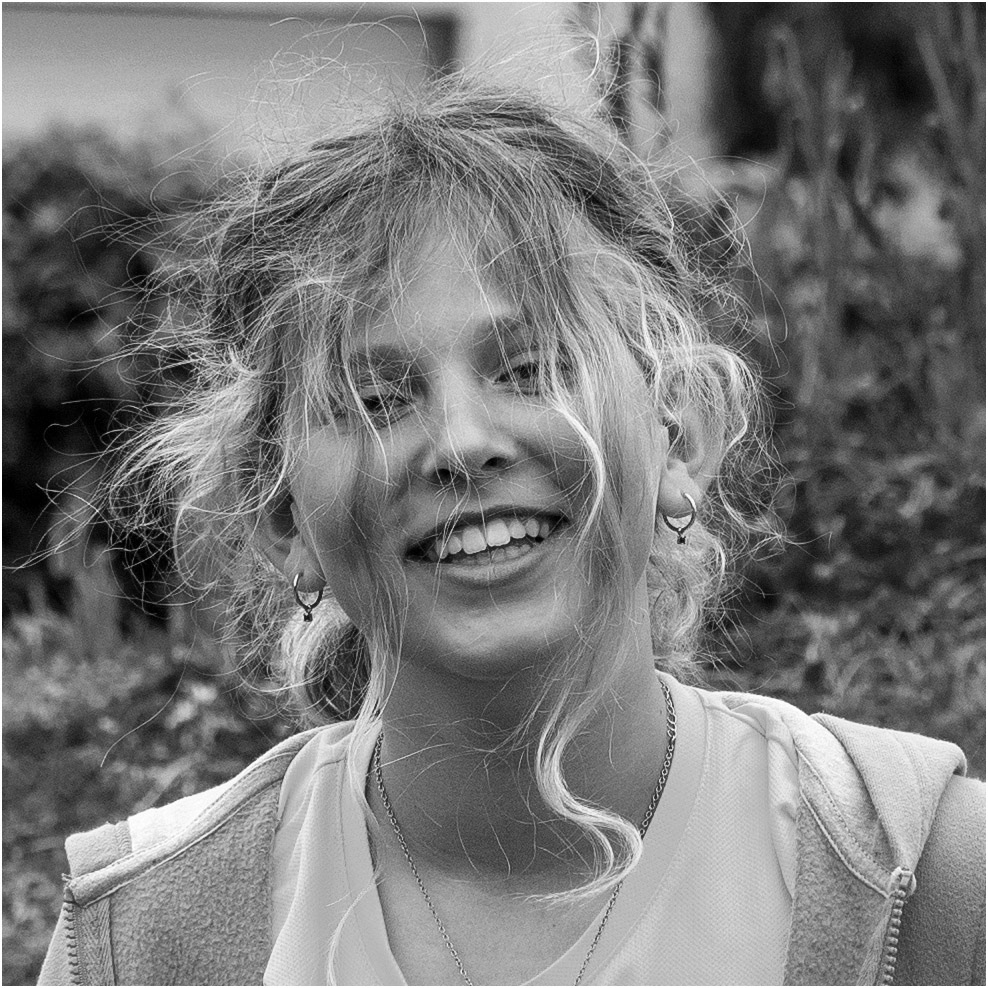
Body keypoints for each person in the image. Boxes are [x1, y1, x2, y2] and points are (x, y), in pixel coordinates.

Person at [39, 78, 984, 987]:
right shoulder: (138, 943)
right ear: (281, 516)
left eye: (532, 368)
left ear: (681, 436)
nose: (462, 443)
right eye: (375, 399)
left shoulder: (935, 880)